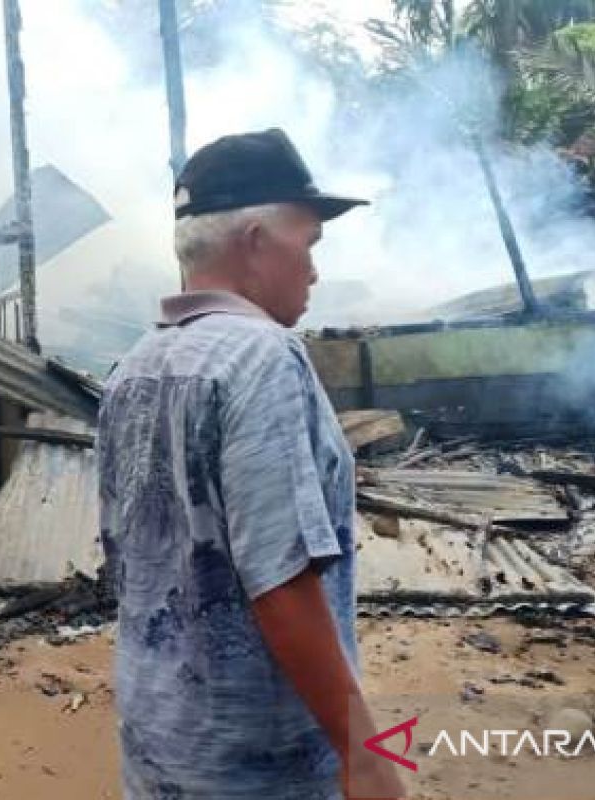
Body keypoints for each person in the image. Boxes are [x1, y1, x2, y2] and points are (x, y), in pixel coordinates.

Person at [97, 129, 406, 800]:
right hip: (256, 767)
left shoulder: (135, 367)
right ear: (258, 241)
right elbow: (282, 580)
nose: (316, 271)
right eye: (310, 246)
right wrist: (366, 755)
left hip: (160, 745)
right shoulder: (263, 358)